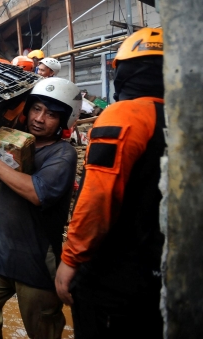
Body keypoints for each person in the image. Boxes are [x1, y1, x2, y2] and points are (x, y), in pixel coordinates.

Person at [55, 27, 166, 339]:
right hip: (168, 272)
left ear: (125, 71)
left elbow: (98, 198)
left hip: (117, 276)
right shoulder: (187, 118)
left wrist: (71, 258)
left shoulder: (126, 116)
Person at [0, 77, 81, 339]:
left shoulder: (62, 154)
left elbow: (37, 193)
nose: (40, 118)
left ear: (64, 121)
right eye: (36, 109)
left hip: (36, 257)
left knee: (42, 329)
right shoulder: (16, 139)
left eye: (51, 114)